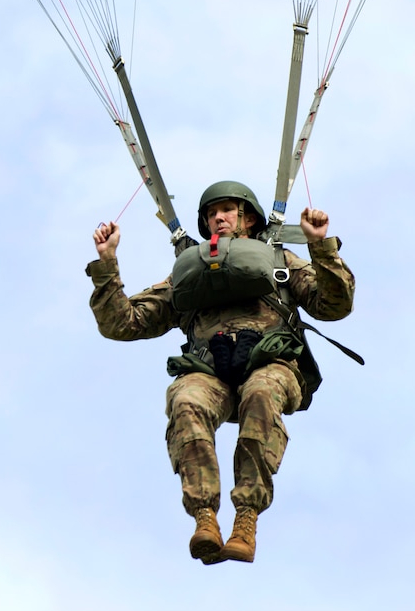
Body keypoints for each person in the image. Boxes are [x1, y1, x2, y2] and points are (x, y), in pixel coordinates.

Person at [85, 181, 355, 564]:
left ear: (248, 218)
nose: (219, 217)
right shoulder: (191, 273)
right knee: (185, 399)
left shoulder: (278, 259)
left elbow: (334, 305)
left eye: (228, 210)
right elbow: (123, 323)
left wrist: (319, 247)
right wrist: (107, 264)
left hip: (270, 364)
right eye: (212, 213)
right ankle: (204, 518)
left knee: (261, 394)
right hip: (210, 371)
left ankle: (246, 518)